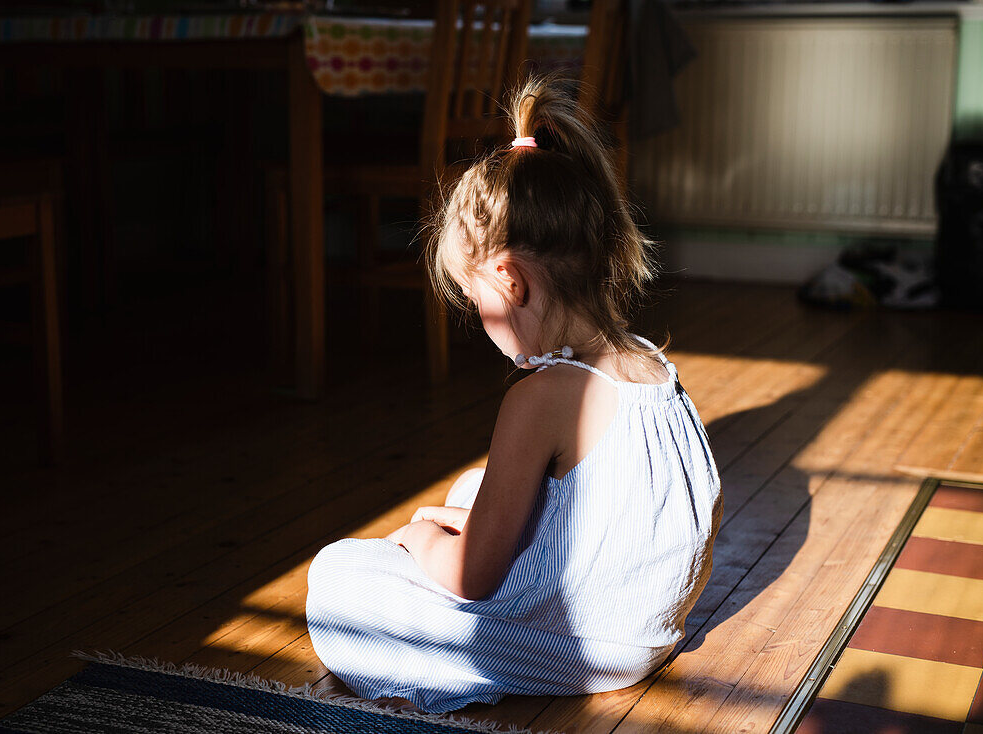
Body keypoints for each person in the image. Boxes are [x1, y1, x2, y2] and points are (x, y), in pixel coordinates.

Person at [306, 76, 723, 714]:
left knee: (335, 577)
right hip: (651, 628)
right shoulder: (653, 366)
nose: (481, 323)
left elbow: (473, 581)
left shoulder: (543, 397)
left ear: (509, 280)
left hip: (582, 645)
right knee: (471, 490)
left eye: (476, 302)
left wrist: (417, 545)